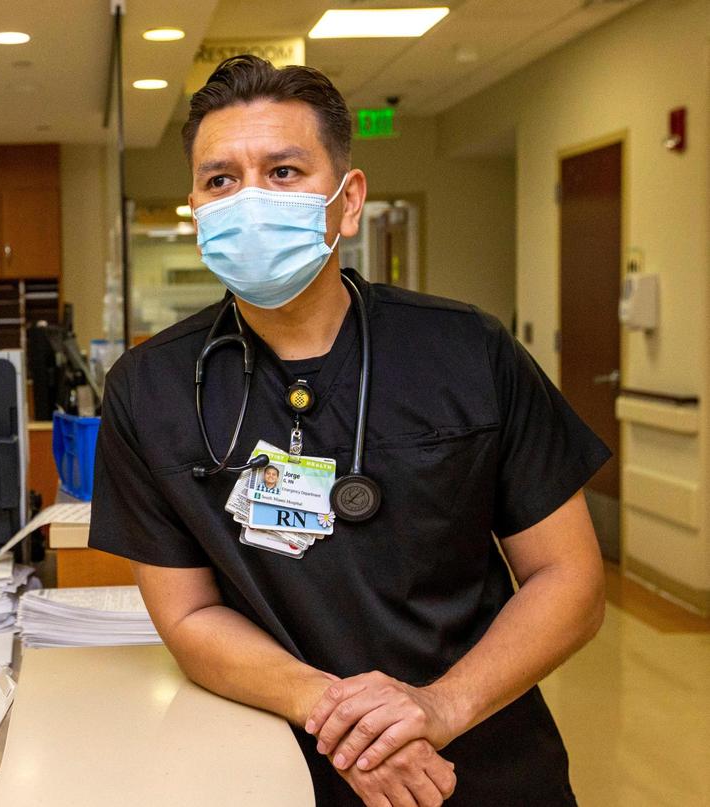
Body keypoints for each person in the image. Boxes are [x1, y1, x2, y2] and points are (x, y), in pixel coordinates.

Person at [89, 54, 609, 807]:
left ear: (349, 199)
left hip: (478, 760)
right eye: (221, 180)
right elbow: (188, 615)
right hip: (271, 767)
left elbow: (570, 579)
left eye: (284, 171)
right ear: (196, 207)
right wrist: (341, 717)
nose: (251, 199)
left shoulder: (467, 352)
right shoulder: (151, 388)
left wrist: (440, 707)